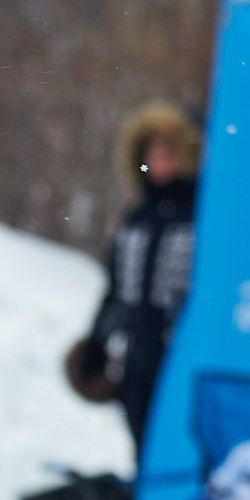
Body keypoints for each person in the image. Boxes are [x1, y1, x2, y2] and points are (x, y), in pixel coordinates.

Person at [74, 102, 201, 457]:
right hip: (136, 357)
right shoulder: (136, 218)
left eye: (168, 152)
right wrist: (97, 343)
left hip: (180, 354)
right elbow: (116, 291)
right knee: (141, 441)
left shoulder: (200, 215)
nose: (158, 160)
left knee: (177, 445)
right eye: (151, 153)